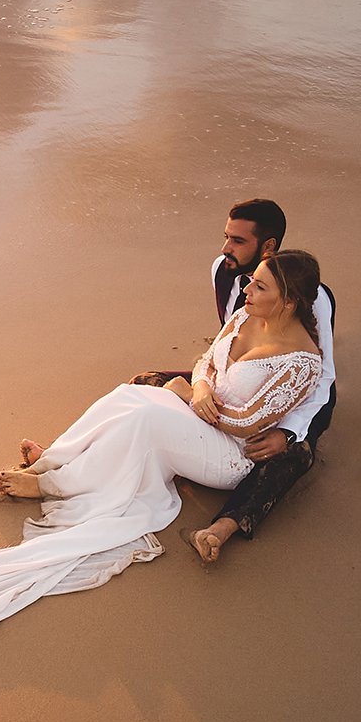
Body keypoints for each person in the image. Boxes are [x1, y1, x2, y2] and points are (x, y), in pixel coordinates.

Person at [0, 251, 325, 679]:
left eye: (260, 286)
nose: (248, 290)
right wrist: (195, 387)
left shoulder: (303, 362)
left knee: (149, 413)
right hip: (200, 413)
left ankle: (56, 485)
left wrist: (197, 401)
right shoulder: (243, 318)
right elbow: (205, 363)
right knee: (130, 396)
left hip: (228, 455)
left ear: (287, 301)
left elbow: (248, 422)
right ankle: (54, 464)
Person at [124, 200, 336, 562]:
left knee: (293, 455)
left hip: (286, 391)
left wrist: (288, 432)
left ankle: (224, 526)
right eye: (226, 237)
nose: (225, 249)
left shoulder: (312, 297)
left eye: (237, 241)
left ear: (267, 246)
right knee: (145, 380)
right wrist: (202, 387)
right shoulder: (221, 270)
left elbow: (324, 376)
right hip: (231, 378)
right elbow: (224, 337)